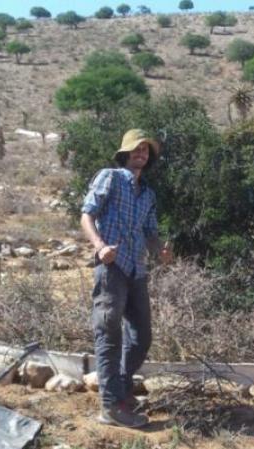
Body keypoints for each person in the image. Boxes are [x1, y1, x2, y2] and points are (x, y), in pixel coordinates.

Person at [81, 129, 172, 428]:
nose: (141, 153)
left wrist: (160, 249)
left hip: (137, 269)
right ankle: (110, 406)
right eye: (137, 149)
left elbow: (149, 232)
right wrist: (100, 247)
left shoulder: (148, 194)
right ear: (125, 152)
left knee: (141, 337)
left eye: (146, 150)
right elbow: (86, 215)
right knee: (109, 335)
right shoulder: (109, 177)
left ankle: (121, 390)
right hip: (111, 267)